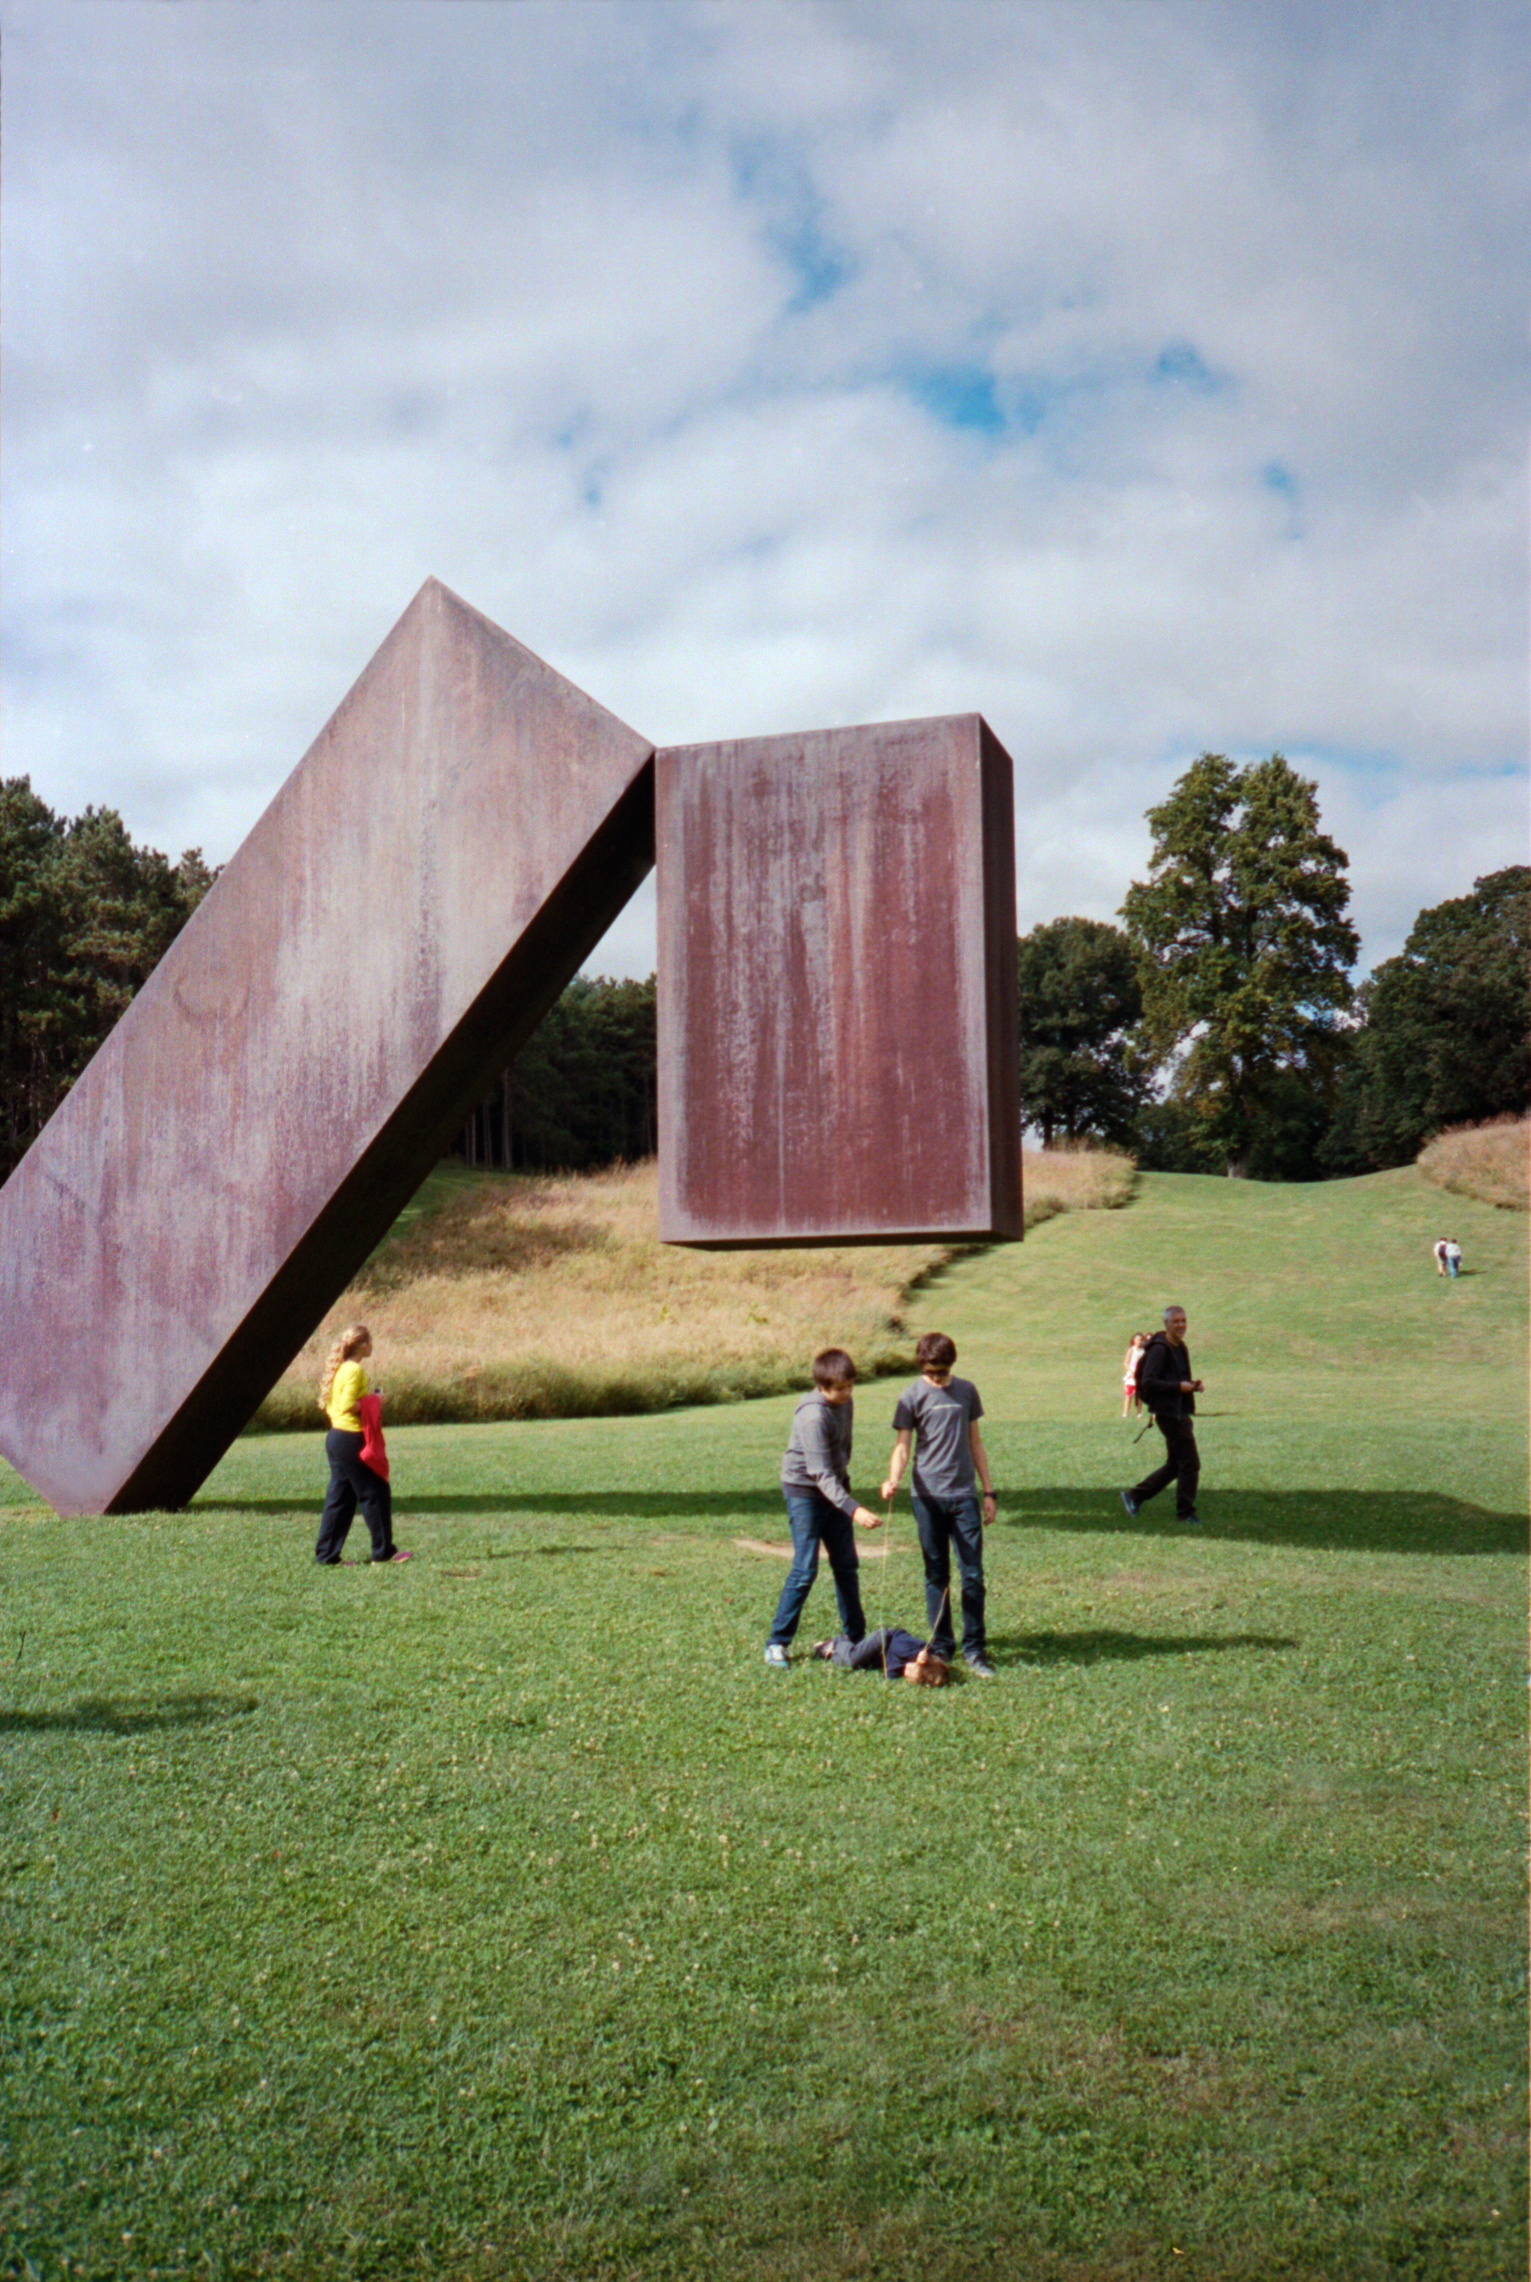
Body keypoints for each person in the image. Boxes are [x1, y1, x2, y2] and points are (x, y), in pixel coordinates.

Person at [881, 1332, 997, 1679]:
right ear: (921, 1365)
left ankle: (975, 1648)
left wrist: (988, 1492)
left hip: (963, 1496)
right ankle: (942, 1644)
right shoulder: (911, 1396)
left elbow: (975, 1443)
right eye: (931, 1372)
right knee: (936, 1574)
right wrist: (893, 1478)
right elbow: (903, 1446)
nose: (937, 1377)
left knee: (972, 1575)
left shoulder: (967, 1391)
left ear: (953, 1364)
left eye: (943, 1371)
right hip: (927, 1497)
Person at [764, 1348, 882, 1667]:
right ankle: (776, 1643)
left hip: (835, 1489)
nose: (847, 1393)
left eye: (850, 1386)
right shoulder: (812, 1416)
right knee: (805, 1569)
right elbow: (819, 1472)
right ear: (821, 1386)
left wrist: (844, 1492)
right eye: (839, 1388)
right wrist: (854, 1509)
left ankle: (858, 1640)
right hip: (804, 1491)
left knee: (846, 1564)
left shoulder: (846, 1403)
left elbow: (842, 1450)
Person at [314, 1323, 410, 1565]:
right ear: (363, 1345)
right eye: (371, 1341)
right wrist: (375, 1401)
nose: (373, 1346)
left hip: (336, 1437)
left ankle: (326, 1556)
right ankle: (384, 1552)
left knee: (340, 1497)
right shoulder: (354, 1370)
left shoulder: (340, 1368)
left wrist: (368, 1400)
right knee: (375, 1492)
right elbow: (348, 1405)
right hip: (351, 1438)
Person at [1120, 1305, 1204, 1526]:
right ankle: (1185, 1512)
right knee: (1190, 1463)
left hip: (1179, 1411)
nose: (1181, 1325)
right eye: (1175, 1321)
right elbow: (1148, 1382)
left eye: (1183, 1320)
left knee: (1177, 1464)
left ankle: (1134, 1497)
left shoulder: (1181, 1347)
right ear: (1166, 1324)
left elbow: (1179, 1380)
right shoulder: (1160, 1349)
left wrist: (1192, 1386)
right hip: (1169, 1414)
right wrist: (1178, 1387)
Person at [810, 1630, 951, 1684]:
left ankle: (828, 1652)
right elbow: (926, 1649)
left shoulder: (902, 1668)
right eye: (912, 1669)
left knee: (852, 1664)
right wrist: (917, 1653)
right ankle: (839, 1641)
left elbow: (889, 1675)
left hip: (881, 1656)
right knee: (853, 1659)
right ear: (920, 1661)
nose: (906, 1671)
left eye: (910, 1676)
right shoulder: (912, 1649)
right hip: (882, 1641)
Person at [1121, 1330, 1150, 1417]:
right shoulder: (1131, 1350)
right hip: (1131, 1374)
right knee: (1129, 1393)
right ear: (1134, 1340)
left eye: (1141, 1340)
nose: (1139, 1341)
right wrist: (1131, 1371)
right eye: (1137, 1339)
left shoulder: (1143, 1351)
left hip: (1140, 1375)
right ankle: (1125, 1413)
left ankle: (1139, 1412)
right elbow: (1125, 1363)